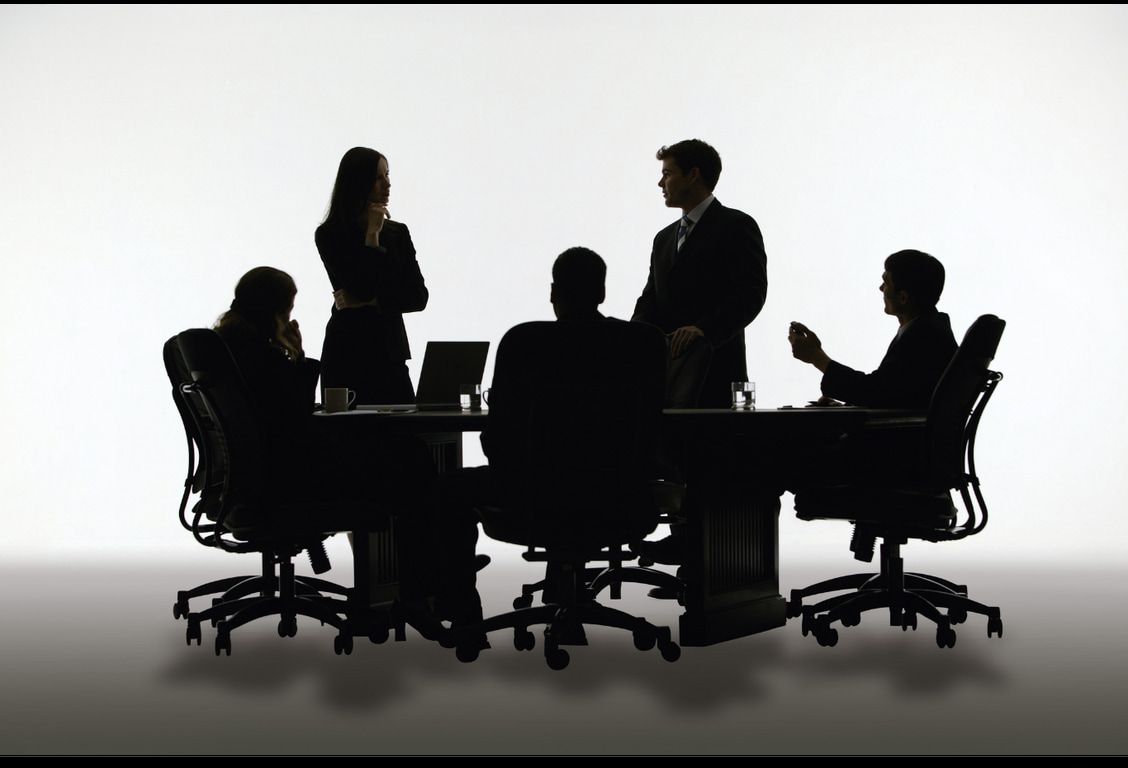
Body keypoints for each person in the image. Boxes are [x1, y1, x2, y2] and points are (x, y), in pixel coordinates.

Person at [214, 267, 481, 636]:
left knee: (406, 461)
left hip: (256, 479)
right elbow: (294, 412)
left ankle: (434, 574)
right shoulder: (257, 352)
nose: (290, 318)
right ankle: (425, 588)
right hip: (285, 481)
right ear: (273, 309)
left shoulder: (227, 345)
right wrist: (297, 354)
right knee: (413, 463)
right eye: (287, 311)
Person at [632, 139, 768, 408]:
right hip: (670, 379)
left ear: (693, 175)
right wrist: (635, 338)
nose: (661, 184)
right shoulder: (663, 239)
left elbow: (751, 294)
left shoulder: (738, 226)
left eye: (667, 174)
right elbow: (650, 299)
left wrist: (704, 330)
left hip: (721, 376)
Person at [316, 147, 428, 404]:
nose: (387, 184)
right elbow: (363, 286)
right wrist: (372, 236)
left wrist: (374, 302)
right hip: (347, 351)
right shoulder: (330, 234)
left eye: (387, 175)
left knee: (406, 435)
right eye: (379, 178)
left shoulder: (398, 232)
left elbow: (418, 297)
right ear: (358, 182)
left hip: (390, 352)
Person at [788, 249, 957, 409]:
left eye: (886, 282)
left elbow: (875, 391)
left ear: (903, 297)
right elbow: (893, 394)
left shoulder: (923, 337)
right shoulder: (931, 330)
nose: (881, 288)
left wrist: (817, 357)